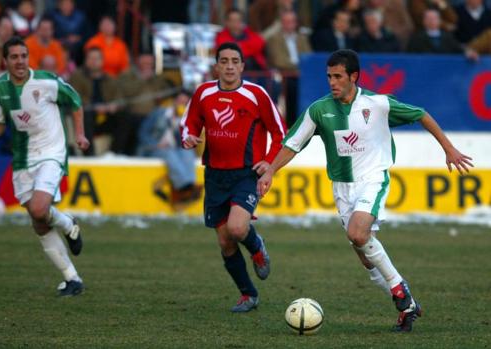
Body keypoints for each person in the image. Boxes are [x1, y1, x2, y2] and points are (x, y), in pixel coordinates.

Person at [257, 49, 473, 332]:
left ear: (353, 77)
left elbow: (421, 114)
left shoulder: (378, 104)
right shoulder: (318, 110)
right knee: (364, 253)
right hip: (342, 189)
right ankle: (407, 305)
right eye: (328, 77)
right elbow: (292, 144)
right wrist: (271, 170)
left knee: (358, 233)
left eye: (337, 77)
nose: (332, 82)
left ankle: (399, 291)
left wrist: (449, 149)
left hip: (372, 179)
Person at [181, 42, 286, 312]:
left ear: (241, 65)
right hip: (215, 175)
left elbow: (280, 133)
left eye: (234, 61)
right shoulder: (203, 92)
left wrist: (269, 162)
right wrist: (188, 137)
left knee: (237, 229)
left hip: (245, 175)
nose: (229, 66)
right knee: (225, 241)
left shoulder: (256, 94)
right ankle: (248, 295)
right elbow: (190, 122)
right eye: (224, 60)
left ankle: (257, 245)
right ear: (216, 65)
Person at [0, 36, 90, 296]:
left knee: (40, 208)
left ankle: (67, 224)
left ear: (28, 57)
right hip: (21, 159)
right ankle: (71, 278)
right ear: (5, 60)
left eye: (23, 56)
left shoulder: (46, 81)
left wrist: (79, 134)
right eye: (14, 57)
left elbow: (75, 102)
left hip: (51, 153)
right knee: (39, 220)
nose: (20, 61)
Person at [137, 90, 202, 208]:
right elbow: (143, 132)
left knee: (188, 152)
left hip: (173, 149)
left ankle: (188, 185)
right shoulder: (159, 113)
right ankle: (184, 189)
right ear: (174, 101)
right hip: (153, 148)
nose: (181, 104)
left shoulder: (185, 119)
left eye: (184, 103)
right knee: (169, 154)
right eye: (179, 101)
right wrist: (155, 144)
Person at [69, 46, 121, 156]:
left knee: (125, 116)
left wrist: (115, 105)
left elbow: (120, 98)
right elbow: (74, 97)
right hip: (86, 117)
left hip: (105, 117)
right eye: (90, 58)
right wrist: (94, 107)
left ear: (102, 61)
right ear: (86, 60)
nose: (93, 62)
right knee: (86, 114)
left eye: (96, 59)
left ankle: (114, 154)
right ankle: (89, 155)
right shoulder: (77, 76)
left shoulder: (110, 79)